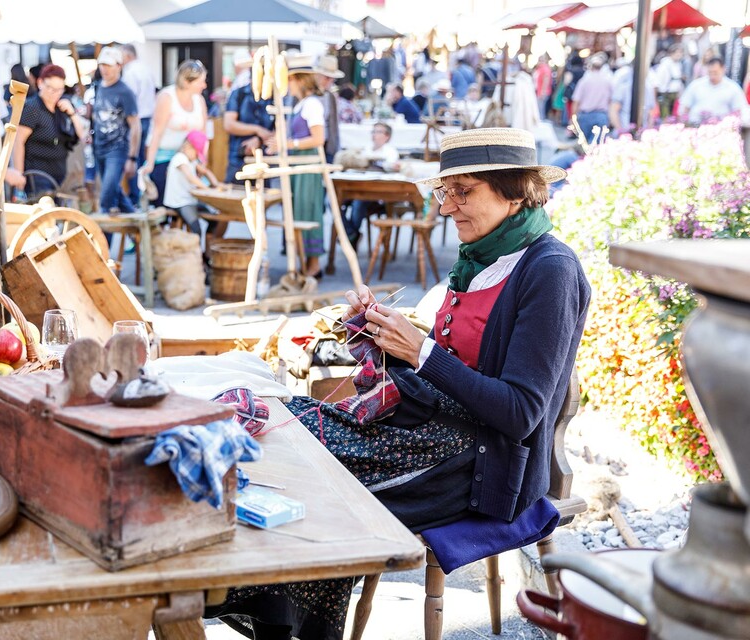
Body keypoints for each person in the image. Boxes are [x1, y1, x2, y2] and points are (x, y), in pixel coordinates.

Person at [207, 127, 591, 640]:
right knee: (278, 425)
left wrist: (421, 350)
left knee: (316, 479)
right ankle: (273, 617)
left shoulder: (550, 271)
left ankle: (287, 624)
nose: (447, 207)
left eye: (464, 191)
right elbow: (456, 367)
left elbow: (521, 412)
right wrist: (382, 335)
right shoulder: (482, 254)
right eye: (444, 191)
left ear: (517, 191)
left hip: (479, 465)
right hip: (432, 432)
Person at [266, 53, 326, 279]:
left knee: (308, 211)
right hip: (299, 163)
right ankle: (304, 262)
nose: (286, 85)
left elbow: (318, 138)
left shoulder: (312, 104)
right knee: (299, 211)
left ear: (299, 79)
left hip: (308, 164)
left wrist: (289, 143)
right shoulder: (301, 104)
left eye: (288, 79)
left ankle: (313, 264)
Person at [8, 64, 86, 198]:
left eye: (59, 89)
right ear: (40, 83)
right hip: (37, 176)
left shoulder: (63, 106)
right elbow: (18, 142)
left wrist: (72, 114)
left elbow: (83, 136)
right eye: (50, 88)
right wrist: (19, 176)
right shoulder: (32, 108)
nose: (54, 93)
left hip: (60, 175)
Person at [140, 59, 208, 207]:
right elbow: (157, 133)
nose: (204, 85)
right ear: (187, 82)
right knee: (164, 205)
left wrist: (203, 161)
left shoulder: (199, 100)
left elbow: (203, 135)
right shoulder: (167, 97)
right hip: (164, 158)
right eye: (201, 81)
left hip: (189, 161)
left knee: (195, 202)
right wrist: (150, 163)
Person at [90, 47, 140, 213]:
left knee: (106, 198)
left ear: (119, 66)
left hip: (117, 149)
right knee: (114, 193)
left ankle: (101, 239)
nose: (104, 69)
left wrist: (132, 157)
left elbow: (135, 126)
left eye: (109, 65)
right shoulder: (98, 87)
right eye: (102, 65)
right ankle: (137, 226)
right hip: (99, 147)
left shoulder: (125, 91)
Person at [342, 122, 400, 248]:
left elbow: (392, 167)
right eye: (373, 131)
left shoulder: (390, 152)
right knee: (333, 202)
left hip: (377, 193)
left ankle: (350, 236)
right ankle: (351, 233)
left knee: (359, 202)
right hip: (358, 187)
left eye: (378, 132)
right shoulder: (366, 149)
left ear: (387, 136)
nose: (374, 135)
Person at [223, 50, 273, 184]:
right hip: (238, 160)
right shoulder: (238, 94)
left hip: (264, 162)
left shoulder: (274, 98)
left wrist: (259, 140)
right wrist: (257, 130)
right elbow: (229, 124)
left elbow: (278, 129)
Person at [163, 129, 221, 238]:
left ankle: (207, 254)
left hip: (190, 201)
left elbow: (209, 175)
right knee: (196, 229)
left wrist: (212, 179)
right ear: (188, 147)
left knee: (214, 220)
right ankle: (195, 253)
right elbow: (190, 178)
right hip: (180, 202)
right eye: (196, 153)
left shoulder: (192, 161)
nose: (197, 157)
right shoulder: (179, 159)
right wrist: (207, 189)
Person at [121, 43, 156, 207]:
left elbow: (129, 99)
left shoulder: (130, 72)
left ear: (127, 56)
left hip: (137, 120)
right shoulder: (146, 69)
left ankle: (136, 198)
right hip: (147, 118)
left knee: (133, 158)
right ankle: (142, 195)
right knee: (142, 159)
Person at [678, 57, 750, 125]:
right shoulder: (696, 85)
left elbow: (741, 110)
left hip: (721, 127)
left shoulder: (733, 88)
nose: (712, 76)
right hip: (695, 125)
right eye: (710, 72)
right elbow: (684, 106)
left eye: (715, 73)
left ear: (723, 69)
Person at [570, 53, 612, 143]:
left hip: (585, 115)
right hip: (601, 115)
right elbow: (610, 100)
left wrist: (573, 118)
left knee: (584, 146)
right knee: (597, 146)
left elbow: (576, 101)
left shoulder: (584, 81)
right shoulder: (607, 81)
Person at [315, 54, 344, 163]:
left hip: (327, 146)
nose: (330, 81)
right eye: (327, 77)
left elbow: (334, 125)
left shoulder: (330, 96)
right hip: (311, 146)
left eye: (332, 79)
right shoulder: (307, 96)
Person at [654, 44, 686, 120]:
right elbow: (658, 82)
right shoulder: (665, 65)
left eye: (680, 53)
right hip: (666, 93)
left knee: (674, 116)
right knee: (665, 117)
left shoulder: (678, 64)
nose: (679, 55)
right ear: (671, 53)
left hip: (675, 93)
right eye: (677, 52)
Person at [532, 54, 553, 119]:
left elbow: (546, 81)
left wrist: (543, 91)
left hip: (542, 91)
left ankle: (540, 121)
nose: (540, 62)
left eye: (542, 60)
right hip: (539, 90)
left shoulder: (545, 69)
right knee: (539, 107)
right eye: (540, 60)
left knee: (540, 108)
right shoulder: (540, 68)